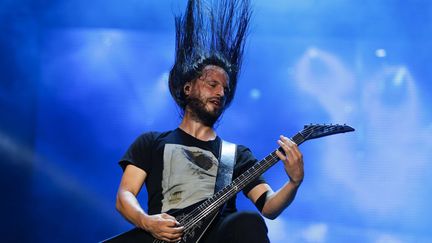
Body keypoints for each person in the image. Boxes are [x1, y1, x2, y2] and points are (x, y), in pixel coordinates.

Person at [115, 0, 304, 242]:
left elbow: (269, 207)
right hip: (167, 235)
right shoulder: (151, 142)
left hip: (219, 235)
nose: (220, 93)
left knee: (248, 222)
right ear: (187, 88)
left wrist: (294, 182)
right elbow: (125, 196)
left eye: (225, 89)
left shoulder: (236, 155)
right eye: (212, 84)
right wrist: (147, 222)